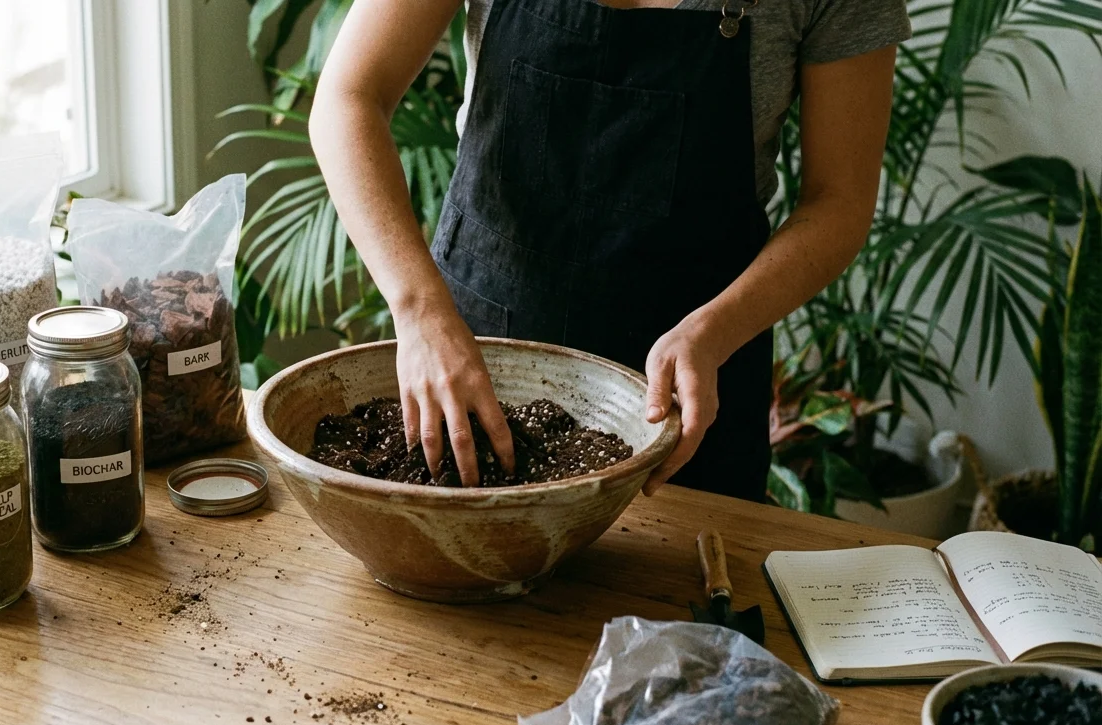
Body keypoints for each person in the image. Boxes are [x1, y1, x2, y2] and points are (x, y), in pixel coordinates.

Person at [310, 0, 908, 499]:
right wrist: (419, 311)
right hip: (476, 367)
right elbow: (349, 99)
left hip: (686, 397)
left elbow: (838, 202)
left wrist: (716, 330)